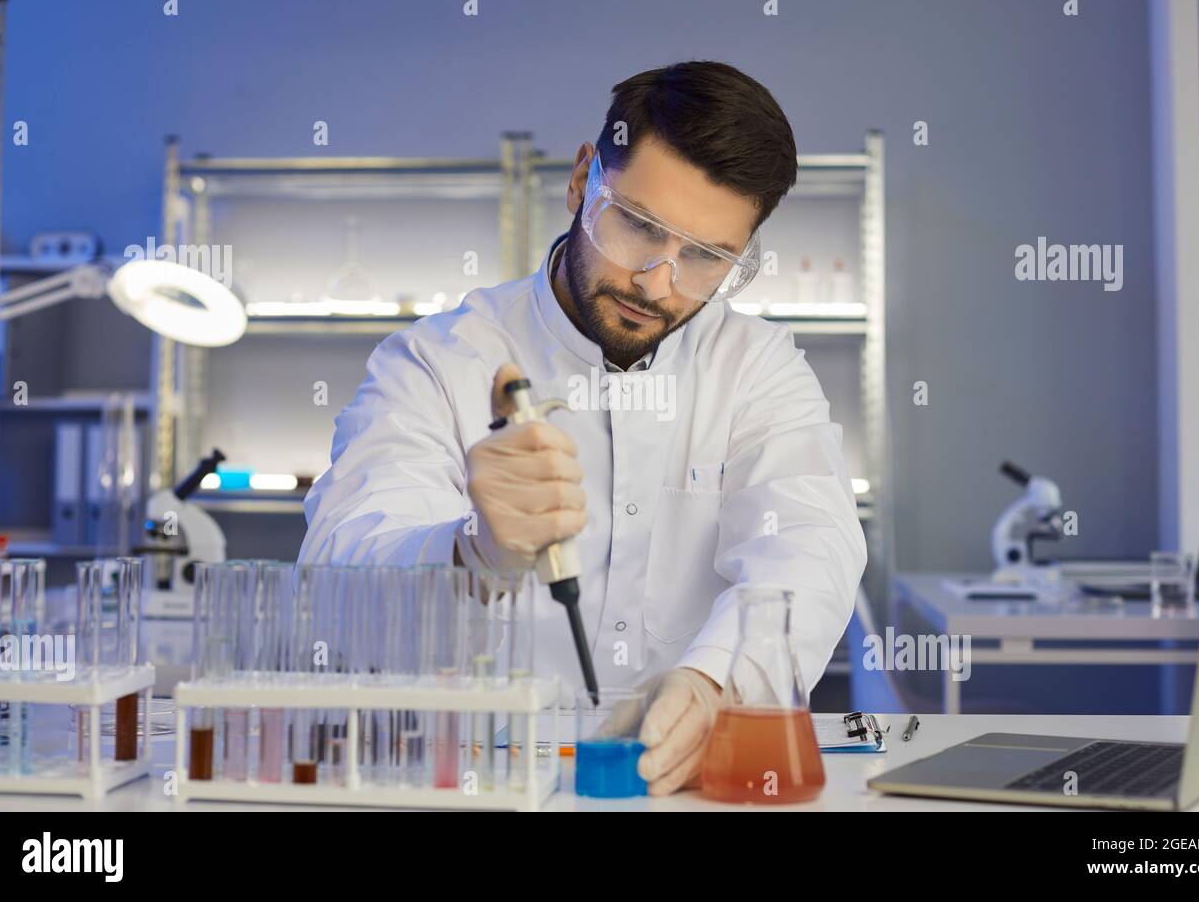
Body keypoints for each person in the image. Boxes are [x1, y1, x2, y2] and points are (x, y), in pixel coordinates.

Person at [299, 60, 866, 795]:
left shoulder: (756, 369)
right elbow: (336, 584)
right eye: (637, 225)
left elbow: (811, 551)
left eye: (705, 257)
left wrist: (713, 683)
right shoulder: (440, 361)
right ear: (580, 182)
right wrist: (472, 553)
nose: (657, 282)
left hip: (675, 790)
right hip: (476, 786)